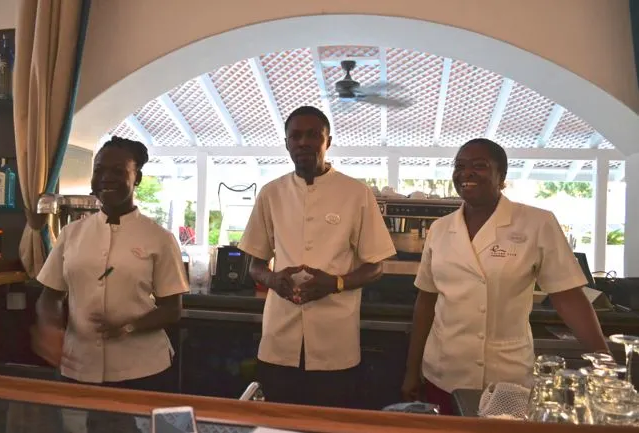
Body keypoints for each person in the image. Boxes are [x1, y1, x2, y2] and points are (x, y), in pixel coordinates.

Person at [401, 138, 609, 415]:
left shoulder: (537, 222)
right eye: (460, 166)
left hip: (506, 376)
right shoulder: (440, 229)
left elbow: (568, 296)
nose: (467, 173)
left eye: (480, 166)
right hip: (443, 370)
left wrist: (604, 365)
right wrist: (412, 370)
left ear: (502, 177)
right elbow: (426, 301)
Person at [238, 106, 396, 408]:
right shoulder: (271, 194)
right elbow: (255, 264)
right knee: (277, 424)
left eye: (313, 135)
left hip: (335, 340)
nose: (303, 142)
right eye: (295, 136)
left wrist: (335, 283)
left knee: (330, 422)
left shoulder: (356, 193)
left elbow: (376, 266)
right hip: (278, 339)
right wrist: (272, 279)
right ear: (286, 143)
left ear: (328, 141)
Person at [32, 136, 189, 391]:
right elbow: (50, 295)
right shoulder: (72, 234)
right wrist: (49, 326)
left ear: (136, 178)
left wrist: (129, 326)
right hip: (77, 366)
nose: (106, 177)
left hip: (142, 369)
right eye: (99, 170)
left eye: (118, 171)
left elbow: (172, 308)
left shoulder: (160, 238)